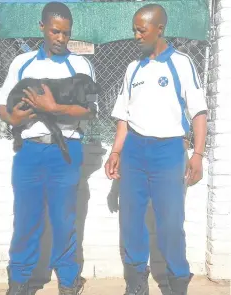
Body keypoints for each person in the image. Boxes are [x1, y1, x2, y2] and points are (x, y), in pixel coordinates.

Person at [0, 2, 98, 295]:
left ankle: (67, 282)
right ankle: (19, 282)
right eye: (55, 31)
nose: (61, 38)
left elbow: (91, 110)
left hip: (65, 151)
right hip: (29, 151)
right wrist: (12, 117)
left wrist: (56, 107)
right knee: (26, 219)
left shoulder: (81, 65)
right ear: (42, 28)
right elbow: (2, 103)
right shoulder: (22, 62)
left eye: (66, 33)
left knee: (64, 220)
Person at [105, 4, 207, 295]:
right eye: (134, 30)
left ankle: (177, 281)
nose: (136, 35)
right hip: (134, 151)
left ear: (159, 28)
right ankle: (137, 282)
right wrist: (115, 153)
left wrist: (197, 155)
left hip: (169, 152)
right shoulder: (132, 68)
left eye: (142, 29)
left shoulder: (182, 63)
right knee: (131, 220)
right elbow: (123, 117)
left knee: (171, 223)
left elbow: (198, 113)